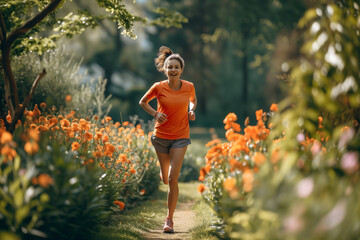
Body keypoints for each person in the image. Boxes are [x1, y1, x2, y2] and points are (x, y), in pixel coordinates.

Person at [139, 46, 197, 233]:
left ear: (181, 69)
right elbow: (143, 102)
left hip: (181, 136)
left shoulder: (189, 86)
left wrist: (191, 109)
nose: (173, 70)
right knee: (165, 179)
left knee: (173, 178)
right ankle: (163, 174)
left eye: (176, 67)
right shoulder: (158, 87)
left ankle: (169, 220)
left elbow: (193, 100)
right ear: (165, 69)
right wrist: (156, 114)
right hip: (161, 137)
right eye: (169, 67)